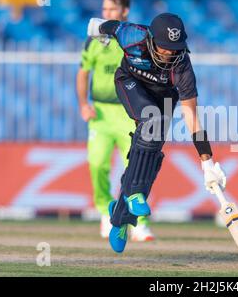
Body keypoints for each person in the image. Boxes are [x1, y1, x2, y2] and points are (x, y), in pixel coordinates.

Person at [87, 13, 227, 253]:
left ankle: (121, 218)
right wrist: (97, 30)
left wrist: (207, 162)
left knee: (151, 158)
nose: (171, 54)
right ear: (151, 40)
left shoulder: (183, 68)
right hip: (130, 82)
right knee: (151, 120)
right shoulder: (131, 35)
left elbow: (191, 117)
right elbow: (104, 25)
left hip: (164, 97)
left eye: (176, 48)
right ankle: (133, 196)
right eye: (165, 48)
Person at [76, 0, 155, 241]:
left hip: (126, 113)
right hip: (100, 113)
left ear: (124, 12)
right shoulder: (93, 41)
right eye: (104, 10)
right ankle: (103, 212)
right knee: (97, 164)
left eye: (111, 10)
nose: (106, 15)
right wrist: (83, 104)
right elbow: (82, 73)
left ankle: (138, 222)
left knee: (135, 168)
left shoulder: (132, 40)